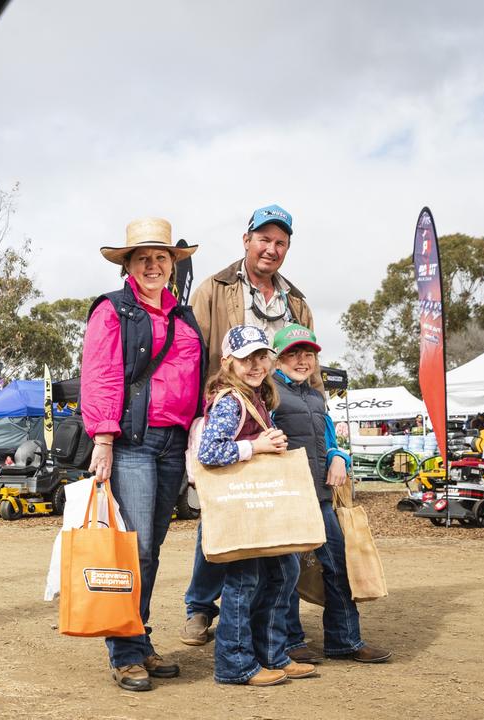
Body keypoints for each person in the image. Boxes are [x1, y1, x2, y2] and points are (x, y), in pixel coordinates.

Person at [80, 217, 206, 692]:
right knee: (134, 550)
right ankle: (126, 653)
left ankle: (138, 636)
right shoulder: (113, 311)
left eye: (161, 258)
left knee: (152, 551)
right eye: (142, 258)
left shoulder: (184, 316)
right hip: (132, 440)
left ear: (173, 265)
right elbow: (102, 374)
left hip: (174, 442)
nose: (153, 265)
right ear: (128, 266)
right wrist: (104, 438)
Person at [182, 203, 315, 646]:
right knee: (221, 513)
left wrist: (321, 418)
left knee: (279, 519)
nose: (271, 249)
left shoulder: (296, 301)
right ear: (247, 240)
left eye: (280, 243)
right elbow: (191, 354)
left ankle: (279, 630)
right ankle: (200, 608)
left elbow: (308, 364)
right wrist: (200, 415)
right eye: (264, 239)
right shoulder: (213, 289)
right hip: (230, 411)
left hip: (278, 413)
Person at [194, 325, 312, 686]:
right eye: (246, 358)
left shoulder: (256, 396)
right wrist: (257, 447)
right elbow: (209, 453)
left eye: (261, 356)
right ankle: (235, 664)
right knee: (245, 581)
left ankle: (272, 654)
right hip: (243, 505)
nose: (255, 364)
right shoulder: (231, 400)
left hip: (257, 504)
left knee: (283, 572)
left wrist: (268, 440)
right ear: (228, 361)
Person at [270, 324, 392, 665]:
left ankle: (345, 640)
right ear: (278, 359)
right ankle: (291, 643)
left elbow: (331, 442)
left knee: (339, 565)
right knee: (288, 573)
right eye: (293, 353)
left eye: (307, 354)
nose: (302, 360)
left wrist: (340, 457)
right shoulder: (269, 394)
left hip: (321, 498)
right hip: (288, 498)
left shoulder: (315, 395)